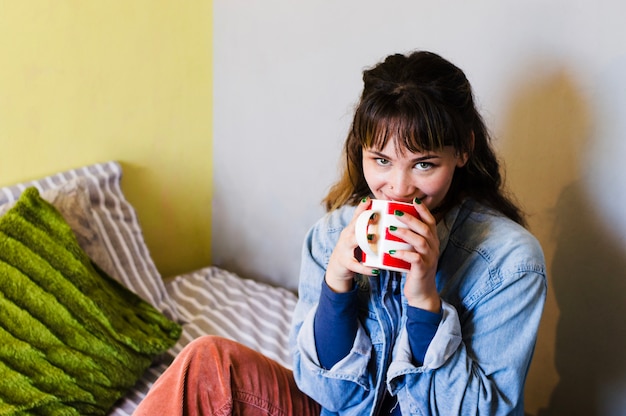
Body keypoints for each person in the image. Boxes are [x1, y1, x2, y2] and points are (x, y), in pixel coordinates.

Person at [133, 50, 546, 416]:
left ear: (463, 150)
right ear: (360, 151)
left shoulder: (510, 263)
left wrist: (424, 301)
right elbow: (327, 393)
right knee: (207, 362)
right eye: (381, 160)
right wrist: (337, 283)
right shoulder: (332, 236)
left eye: (423, 164)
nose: (399, 187)